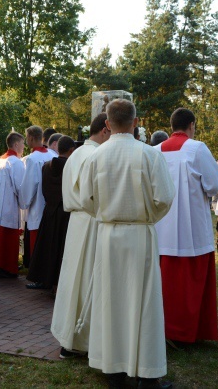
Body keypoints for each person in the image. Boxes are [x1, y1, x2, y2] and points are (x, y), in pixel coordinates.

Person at [80, 99, 175, 389]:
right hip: (139, 234)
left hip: (108, 235)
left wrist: (108, 216)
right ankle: (147, 374)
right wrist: (145, 217)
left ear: (107, 124)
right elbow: (164, 198)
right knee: (144, 302)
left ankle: (114, 371)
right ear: (136, 122)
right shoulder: (148, 154)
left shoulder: (95, 157)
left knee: (111, 301)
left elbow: (86, 200)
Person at [154, 108, 218, 344]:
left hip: (161, 228)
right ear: (191, 125)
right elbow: (214, 184)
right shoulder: (196, 148)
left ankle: (162, 329)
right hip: (190, 225)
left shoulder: (153, 151)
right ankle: (187, 331)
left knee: (164, 282)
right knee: (189, 285)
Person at [51, 113, 110, 359]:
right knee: (88, 279)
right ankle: (85, 341)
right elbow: (98, 195)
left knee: (72, 280)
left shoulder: (76, 154)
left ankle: (69, 337)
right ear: (105, 130)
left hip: (77, 221)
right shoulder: (96, 155)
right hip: (92, 219)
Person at [26, 136, 76, 290]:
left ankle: (42, 278)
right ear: (71, 150)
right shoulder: (72, 167)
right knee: (60, 248)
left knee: (46, 247)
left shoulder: (46, 166)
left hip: (49, 211)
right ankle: (57, 282)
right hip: (65, 212)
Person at [0, 132, 26, 278]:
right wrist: (25, 203)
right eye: (22, 144)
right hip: (8, 208)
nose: (23, 147)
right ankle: (7, 269)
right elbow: (20, 186)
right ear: (16, 144)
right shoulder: (15, 162)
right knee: (6, 241)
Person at [19, 126, 56, 267]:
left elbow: (29, 185)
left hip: (37, 207)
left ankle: (38, 274)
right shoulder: (52, 155)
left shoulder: (32, 159)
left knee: (37, 243)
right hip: (51, 205)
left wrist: (24, 202)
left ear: (31, 138)